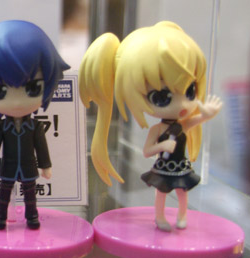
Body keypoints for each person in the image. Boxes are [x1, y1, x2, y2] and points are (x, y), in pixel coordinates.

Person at [79, 21, 222, 231]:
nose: (182, 105)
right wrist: (162, 146)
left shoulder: (181, 125)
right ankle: (160, 217)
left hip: (180, 167)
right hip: (164, 167)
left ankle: (182, 216)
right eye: (162, 97)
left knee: (182, 193)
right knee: (161, 194)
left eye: (190, 91)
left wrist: (206, 114)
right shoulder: (157, 131)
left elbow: (194, 121)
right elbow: (147, 151)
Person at [0, 20, 69, 229]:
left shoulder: (35, 126)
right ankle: (0, 216)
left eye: (33, 88)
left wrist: (45, 165)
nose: (17, 103)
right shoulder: (1, 127)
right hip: (8, 167)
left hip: (28, 167)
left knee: (30, 194)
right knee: (4, 193)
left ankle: (32, 217)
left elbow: (41, 147)